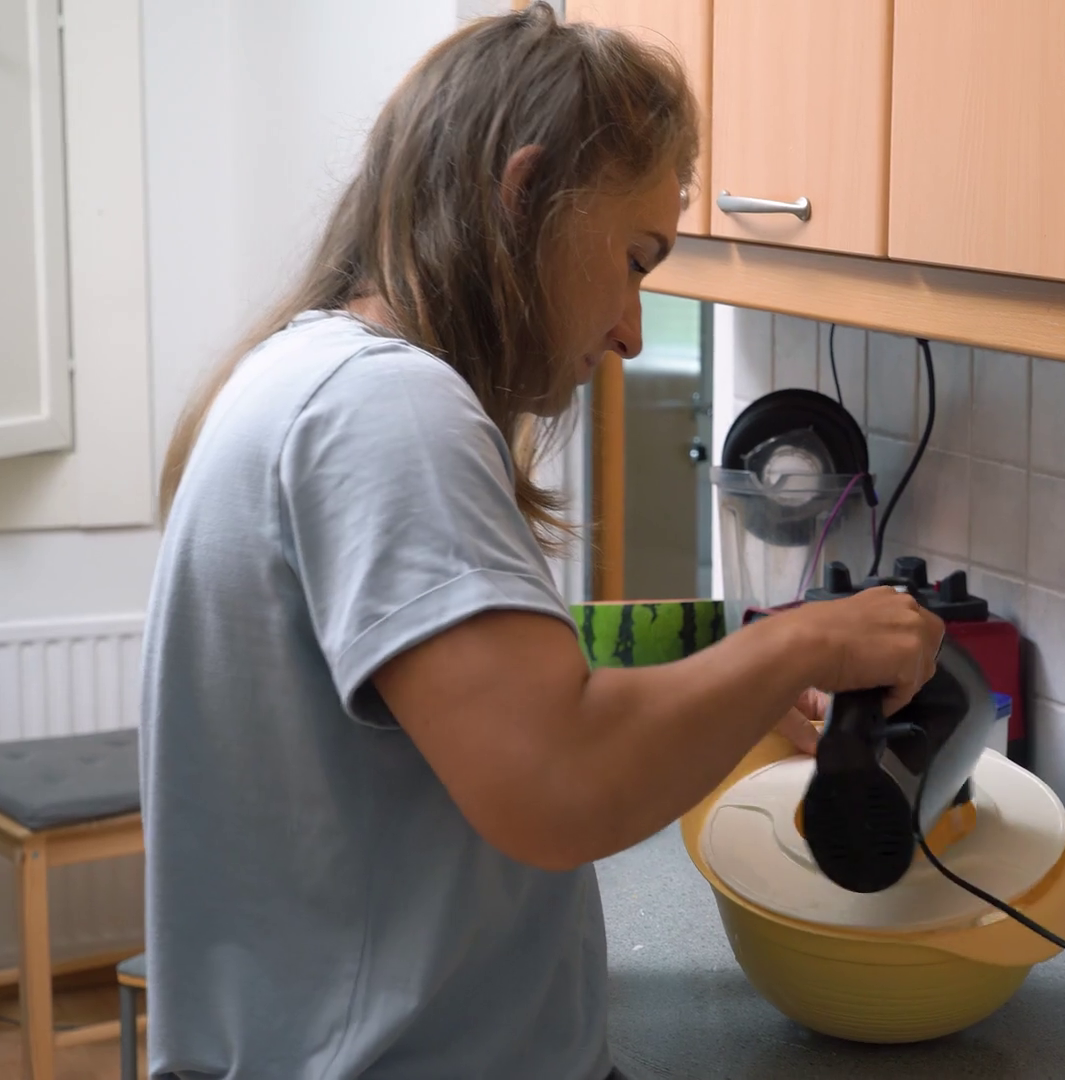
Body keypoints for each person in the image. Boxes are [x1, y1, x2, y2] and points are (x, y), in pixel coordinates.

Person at [138, 5, 945, 1077]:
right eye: (635, 260)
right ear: (523, 195)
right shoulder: (388, 411)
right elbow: (557, 780)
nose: (631, 333)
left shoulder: (304, 376)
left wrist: (730, 700)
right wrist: (803, 643)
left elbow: (484, 723)